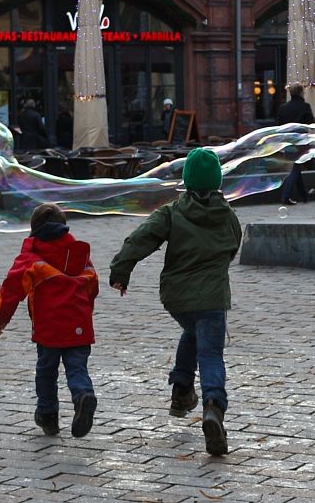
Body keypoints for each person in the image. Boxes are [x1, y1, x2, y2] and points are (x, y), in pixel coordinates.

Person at [108, 148, 242, 456]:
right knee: (210, 354)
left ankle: (182, 389)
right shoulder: (228, 215)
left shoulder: (172, 212)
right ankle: (213, 407)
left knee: (192, 330)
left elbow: (140, 238)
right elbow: (233, 246)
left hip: (177, 298)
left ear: (186, 182)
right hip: (212, 298)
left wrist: (121, 270)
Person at [0, 203, 100, 437]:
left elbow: (12, 288)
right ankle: (83, 394)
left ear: (33, 230)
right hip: (78, 323)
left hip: (48, 326)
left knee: (46, 371)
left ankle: (48, 416)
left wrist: (1, 316)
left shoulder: (30, 256)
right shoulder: (78, 251)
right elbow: (92, 284)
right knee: (77, 367)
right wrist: (84, 309)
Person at [276, 82, 315, 205]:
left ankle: (304, 195)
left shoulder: (283, 108)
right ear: (301, 92)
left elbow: (279, 126)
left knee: (295, 167)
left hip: (287, 143)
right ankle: (286, 196)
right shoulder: (305, 106)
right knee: (295, 168)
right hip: (301, 143)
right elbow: (310, 123)